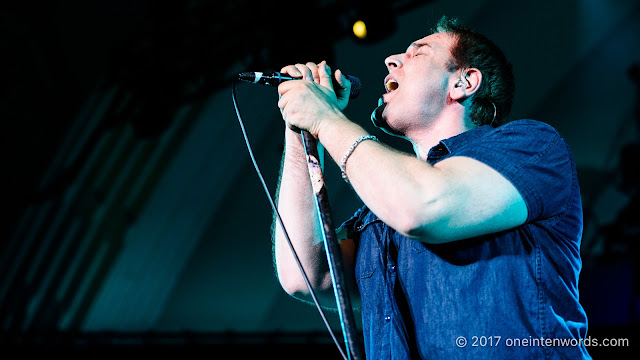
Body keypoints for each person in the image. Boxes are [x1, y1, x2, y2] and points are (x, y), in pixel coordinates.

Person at [272, 15, 591, 359]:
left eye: (418, 52)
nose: (391, 60)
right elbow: (303, 275)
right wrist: (301, 129)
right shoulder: (377, 214)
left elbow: (422, 206)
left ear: (464, 82)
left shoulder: (531, 146)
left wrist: (327, 119)